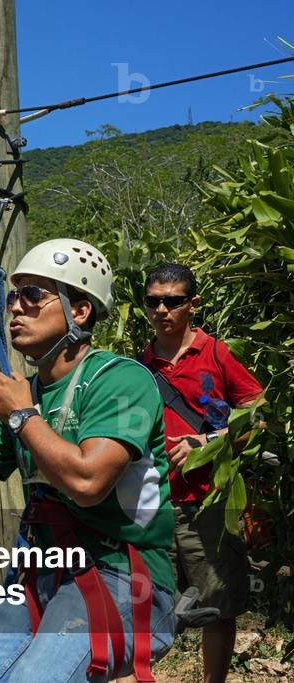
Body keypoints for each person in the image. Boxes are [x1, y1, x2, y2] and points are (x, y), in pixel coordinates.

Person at [0, 239, 177, 682]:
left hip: (121, 575)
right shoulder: (23, 396)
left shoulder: (120, 380)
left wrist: (23, 417)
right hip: (41, 575)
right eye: (13, 297)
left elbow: (88, 481)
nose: (16, 309)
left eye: (33, 295)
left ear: (79, 311)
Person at [138, 263, 263, 683]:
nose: (162, 309)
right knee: (143, 603)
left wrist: (209, 444)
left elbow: (258, 417)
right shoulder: (139, 367)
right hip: (152, 505)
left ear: (192, 304)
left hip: (208, 503)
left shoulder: (217, 354)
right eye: (153, 301)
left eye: (172, 301)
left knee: (218, 603)